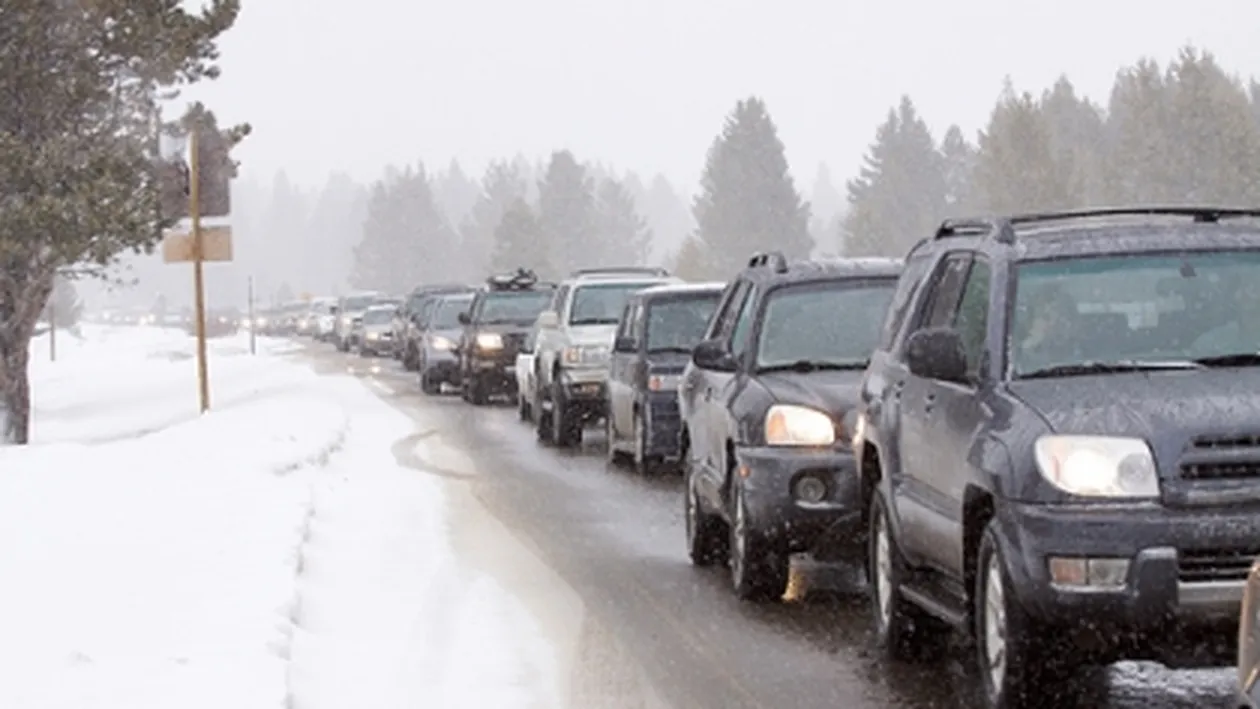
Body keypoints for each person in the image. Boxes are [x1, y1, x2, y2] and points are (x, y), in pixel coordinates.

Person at [1012, 283, 1079, 372]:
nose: (1053, 324)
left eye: (1061, 317)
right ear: (1030, 324)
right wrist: (1026, 350)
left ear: (1075, 323)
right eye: (1045, 317)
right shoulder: (1014, 363)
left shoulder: (1094, 362)